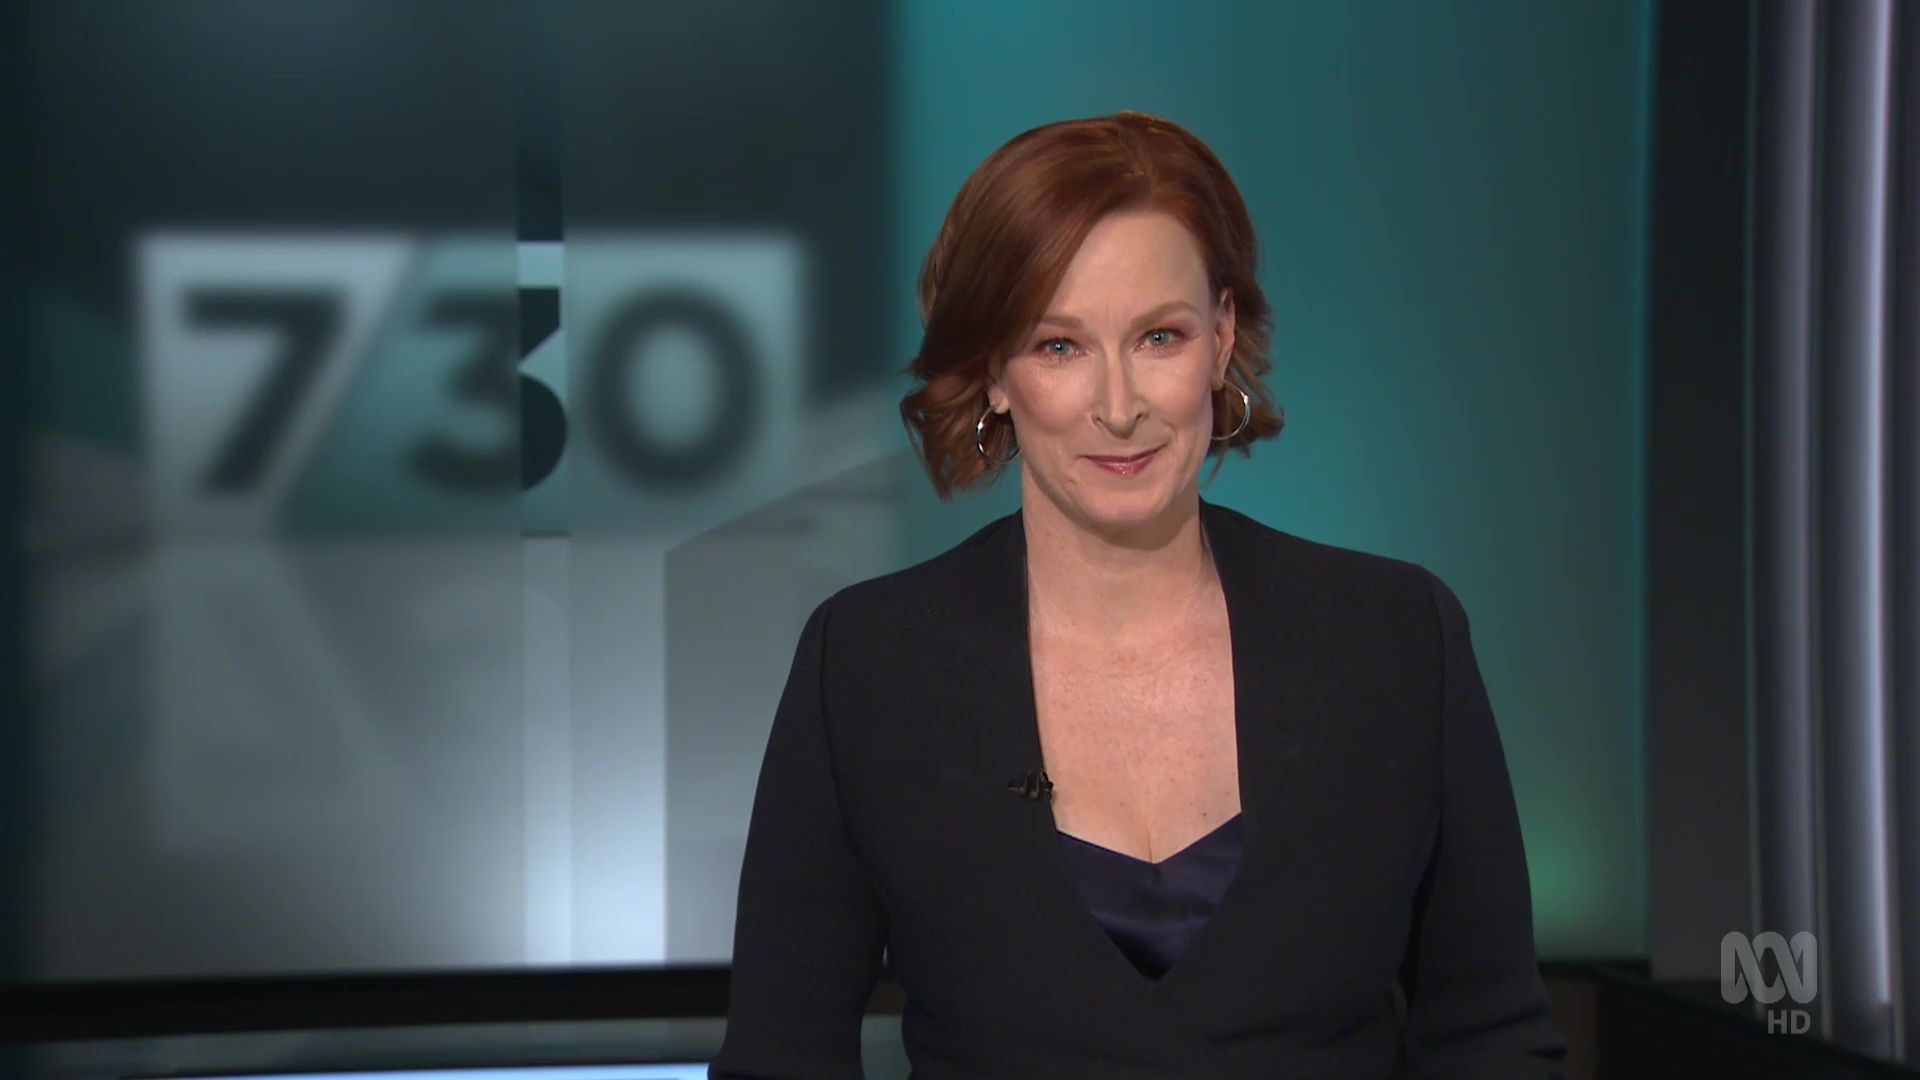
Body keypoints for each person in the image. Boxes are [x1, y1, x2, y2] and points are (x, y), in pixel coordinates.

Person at [709, 112, 1567, 1079]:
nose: (1119, 407)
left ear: (1222, 338)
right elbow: (780, 1061)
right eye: (1059, 346)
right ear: (993, 372)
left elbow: (1492, 1040)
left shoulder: (1398, 639)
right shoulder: (868, 666)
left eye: (1160, 337)